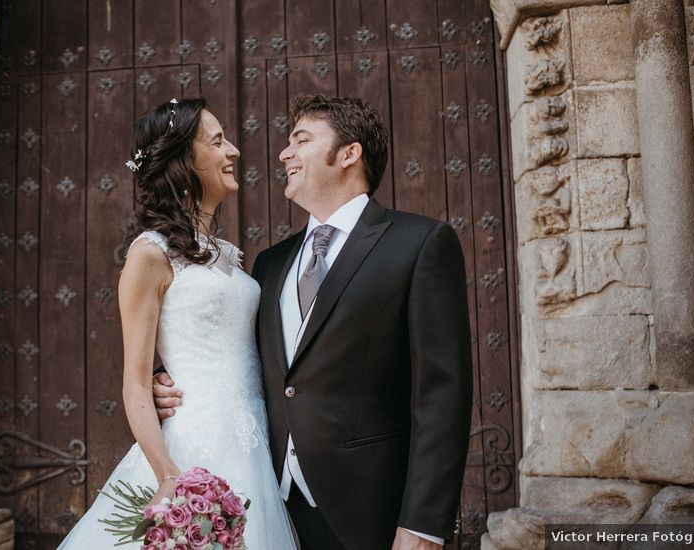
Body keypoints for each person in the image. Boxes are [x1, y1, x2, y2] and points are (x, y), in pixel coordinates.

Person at [155, 95, 473, 549]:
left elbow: (443, 396)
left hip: (375, 512)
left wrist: (423, 523)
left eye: (301, 140)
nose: (284, 153)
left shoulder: (419, 244)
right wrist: (165, 379)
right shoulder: (270, 264)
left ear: (348, 153)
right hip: (273, 509)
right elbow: (234, 352)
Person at [59, 98, 298, 549]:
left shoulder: (228, 254)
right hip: (194, 449)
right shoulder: (149, 255)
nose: (234, 152)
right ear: (185, 161)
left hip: (254, 441)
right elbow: (133, 382)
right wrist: (170, 474)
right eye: (218, 141)